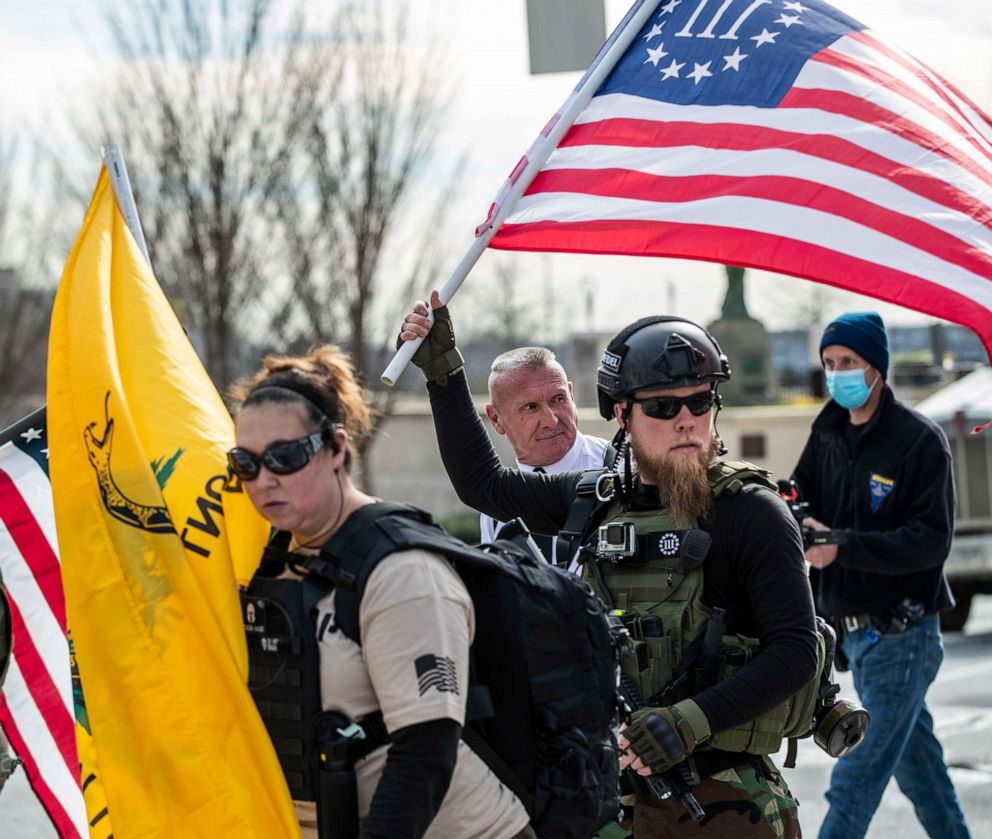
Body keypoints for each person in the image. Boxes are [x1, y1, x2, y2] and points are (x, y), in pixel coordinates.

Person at [400, 294, 819, 838]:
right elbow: (485, 486)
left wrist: (685, 723)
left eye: (700, 402)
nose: (686, 421)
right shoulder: (593, 498)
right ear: (623, 413)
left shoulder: (750, 512)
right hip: (611, 801)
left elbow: (795, 650)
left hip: (723, 799)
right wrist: (443, 372)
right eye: (663, 408)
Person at [230, 345, 531, 839]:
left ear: (336, 448)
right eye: (246, 463)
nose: (264, 480)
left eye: (285, 457)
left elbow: (426, 750)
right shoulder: (271, 560)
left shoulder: (402, 571)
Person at [792, 311, 971, 839]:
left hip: (903, 633)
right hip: (854, 638)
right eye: (829, 363)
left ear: (877, 367)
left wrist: (842, 548)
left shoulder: (918, 440)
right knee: (924, 777)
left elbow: (930, 542)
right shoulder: (825, 430)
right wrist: (802, 523)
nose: (837, 372)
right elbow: (797, 496)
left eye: (849, 362)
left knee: (856, 776)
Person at [481, 347, 610, 569]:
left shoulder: (618, 470)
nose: (551, 420)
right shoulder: (496, 505)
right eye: (530, 407)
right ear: (495, 419)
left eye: (558, 399)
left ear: (572, 395)